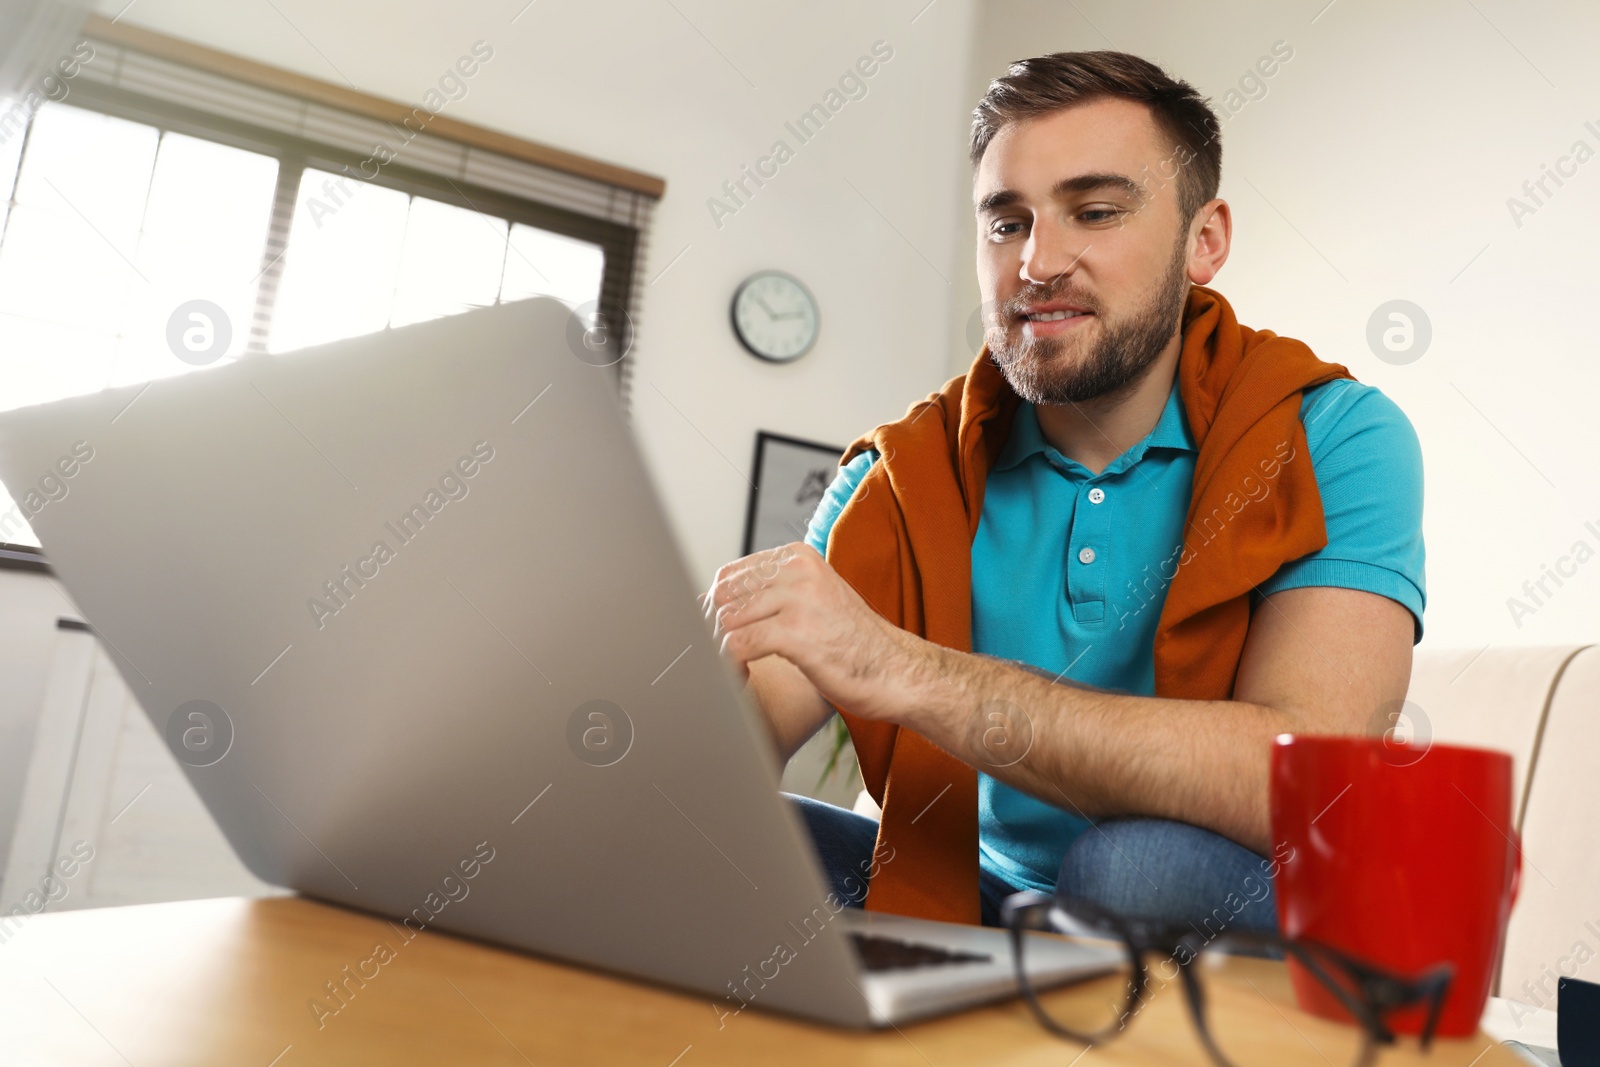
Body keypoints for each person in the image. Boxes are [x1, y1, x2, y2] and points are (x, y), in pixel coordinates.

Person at [701, 51, 1424, 934]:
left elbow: (1308, 781)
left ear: (1206, 239)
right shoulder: (895, 478)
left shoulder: (1334, 436)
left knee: (1132, 867)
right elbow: (732, 754)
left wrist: (903, 670)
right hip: (975, 898)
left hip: (1226, 898)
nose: (1037, 261)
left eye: (1095, 212)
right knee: (752, 843)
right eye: (1006, 223)